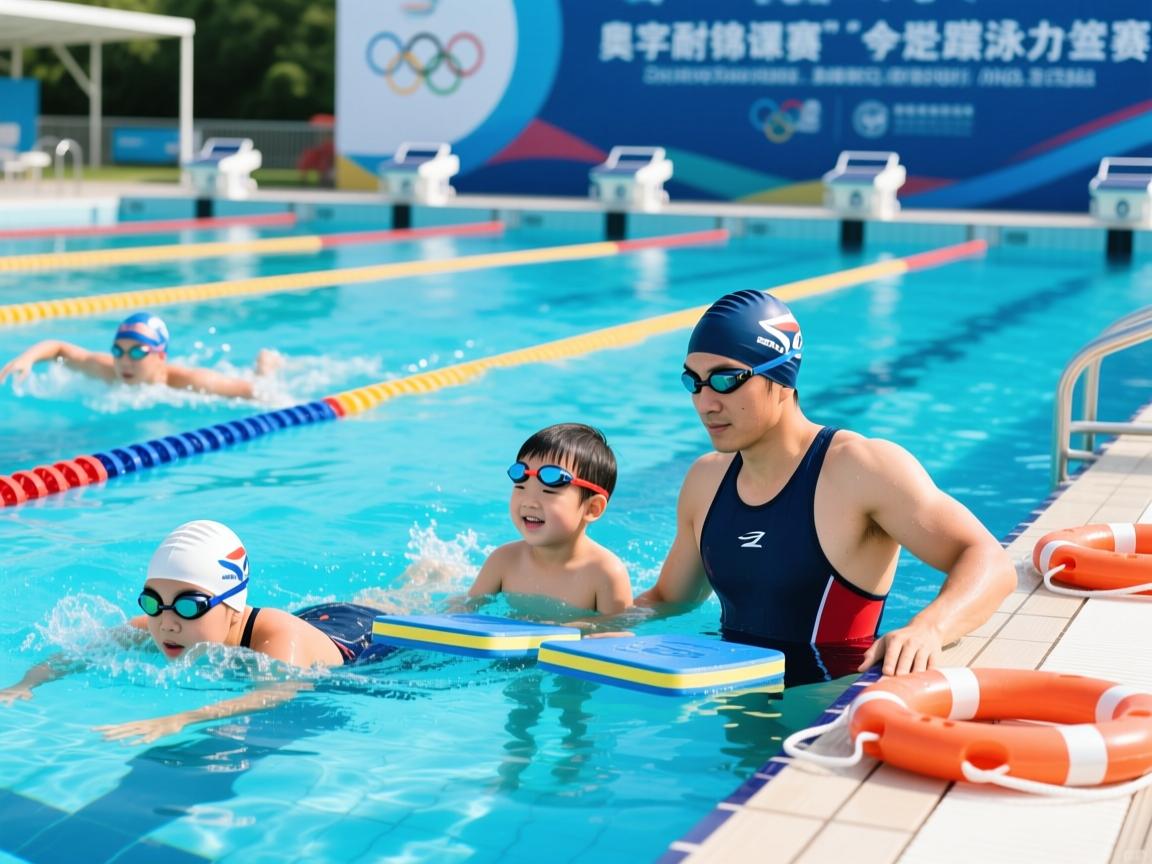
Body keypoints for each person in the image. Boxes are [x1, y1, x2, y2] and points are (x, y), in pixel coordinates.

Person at [636, 290, 1015, 680]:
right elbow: (669, 599)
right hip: (732, 702)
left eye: (726, 379)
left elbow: (990, 560)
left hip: (827, 710)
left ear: (781, 377)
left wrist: (929, 627)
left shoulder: (859, 468)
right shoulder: (706, 479)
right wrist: (588, 630)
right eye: (694, 382)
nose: (705, 403)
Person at [0, 520, 393, 742]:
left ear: (231, 604)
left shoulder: (278, 641)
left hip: (361, 639)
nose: (167, 622)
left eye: (189, 605)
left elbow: (272, 696)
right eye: (153, 601)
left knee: (402, 607)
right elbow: (85, 651)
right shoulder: (157, 626)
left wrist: (181, 719)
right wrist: (26, 683)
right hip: (316, 617)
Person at [467, 423, 633, 618]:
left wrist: (569, 631)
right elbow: (466, 611)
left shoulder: (605, 573)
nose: (529, 502)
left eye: (548, 491)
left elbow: (616, 632)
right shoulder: (503, 560)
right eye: (520, 487)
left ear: (592, 508)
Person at [0, 312, 282, 399]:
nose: (124, 360)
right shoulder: (108, 369)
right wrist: (27, 359)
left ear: (160, 355)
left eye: (137, 351)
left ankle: (265, 363)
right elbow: (60, 348)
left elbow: (254, 392)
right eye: (118, 351)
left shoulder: (187, 381)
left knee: (259, 377)